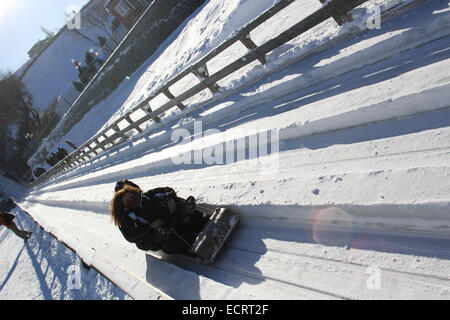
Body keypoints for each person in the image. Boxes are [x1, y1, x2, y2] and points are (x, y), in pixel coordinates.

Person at [110, 181, 209, 256]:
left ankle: (198, 217)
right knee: (170, 243)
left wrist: (170, 199)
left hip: (172, 218)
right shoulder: (127, 218)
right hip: (160, 234)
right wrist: (150, 227)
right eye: (128, 201)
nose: (131, 200)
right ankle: (199, 245)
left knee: (188, 219)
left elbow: (166, 190)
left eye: (131, 197)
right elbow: (130, 236)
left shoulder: (147, 196)